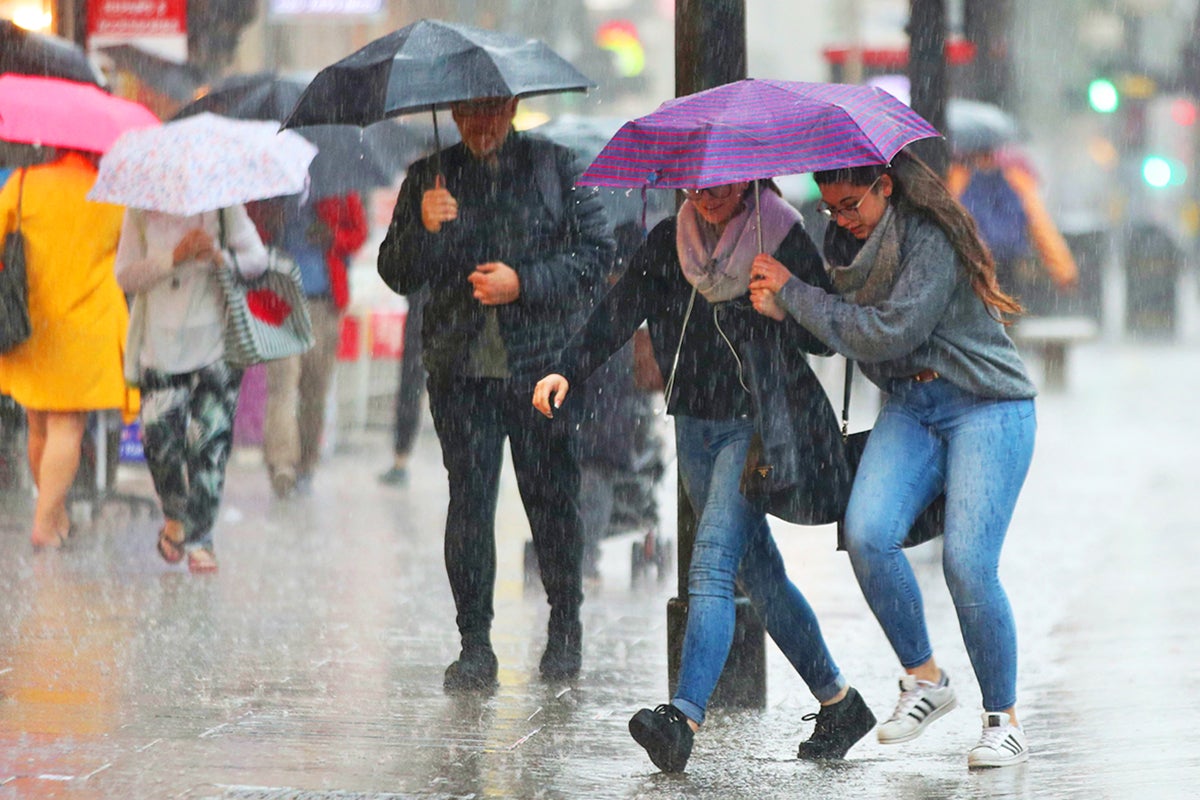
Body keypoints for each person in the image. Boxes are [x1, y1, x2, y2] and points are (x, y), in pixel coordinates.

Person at [534, 181, 876, 773]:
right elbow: (618, 312)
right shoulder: (670, 241)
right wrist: (567, 367)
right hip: (693, 420)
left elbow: (824, 339)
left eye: (720, 186)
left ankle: (682, 719)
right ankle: (839, 702)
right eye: (696, 186)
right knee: (759, 573)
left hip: (756, 423)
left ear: (746, 179)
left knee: (712, 561)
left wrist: (784, 298)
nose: (708, 196)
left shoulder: (781, 234)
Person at [749, 149, 1038, 769]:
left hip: (987, 405)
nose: (841, 217)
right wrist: (780, 304)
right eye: (829, 205)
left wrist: (796, 293)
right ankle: (925, 679)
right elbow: (834, 330)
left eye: (852, 204)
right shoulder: (839, 243)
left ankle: (1002, 719)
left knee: (967, 563)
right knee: (866, 533)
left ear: (885, 186)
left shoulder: (928, 238)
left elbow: (886, 331)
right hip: (912, 408)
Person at [377, 95, 614, 690]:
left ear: (511, 107)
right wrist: (422, 228)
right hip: (460, 369)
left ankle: (565, 625)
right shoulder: (428, 178)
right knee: (470, 501)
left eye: (489, 112)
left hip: (540, 367)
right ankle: (474, 642)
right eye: (465, 114)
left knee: (552, 497)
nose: (478, 126)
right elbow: (396, 271)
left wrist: (523, 282)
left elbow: (596, 256)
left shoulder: (556, 167)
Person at [115, 203, 268, 574]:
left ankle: (201, 537)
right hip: (159, 348)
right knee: (160, 439)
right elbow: (125, 276)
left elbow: (257, 260)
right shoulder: (140, 209)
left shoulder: (222, 206)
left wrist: (220, 258)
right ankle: (174, 515)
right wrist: (175, 256)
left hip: (215, 347)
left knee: (208, 442)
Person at [0, 150, 127, 548]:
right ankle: (45, 522)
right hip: (84, 322)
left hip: (31, 319)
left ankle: (54, 516)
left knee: (38, 423)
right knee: (67, 426)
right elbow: (128, 252)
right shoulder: (109, 190)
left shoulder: (22, 182)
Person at [248, 192, 369, 498]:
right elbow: (249, 238)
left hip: (322, 303)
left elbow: (358, 235)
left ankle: (306, 465)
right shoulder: (271, 189)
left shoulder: (339, 189)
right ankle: (281, 464)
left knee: (315, 391)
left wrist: (332, 237)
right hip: (279, 300)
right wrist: (269, 226)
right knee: (283, 386)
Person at [947, 148, 1078, 300]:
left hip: (972, 265)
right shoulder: (1014, 173)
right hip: (1010, 263)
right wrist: (1064, 270)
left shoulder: (956, 174)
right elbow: (1040, 224)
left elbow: (948, 220)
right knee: (1008, 313)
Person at [378, 286, 427, 487]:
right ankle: (400, 458)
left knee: (411, 388)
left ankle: (401, 459)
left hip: (425, 313)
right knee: (411, 389)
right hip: (435, 314)